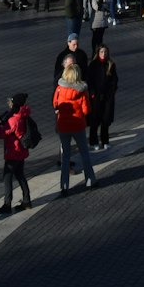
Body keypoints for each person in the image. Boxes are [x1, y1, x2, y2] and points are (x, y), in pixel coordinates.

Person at [52, 61, 96, 193]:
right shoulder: (82, 91)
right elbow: (86, 110)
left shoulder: (59, 89)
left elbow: (55, 104)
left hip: (63, 126)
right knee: (84, 153)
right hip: (77, 125)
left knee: (65, 157)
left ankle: (64, 186)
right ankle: (90, 180)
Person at [0, 92, 33, 212]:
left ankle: (7, 204)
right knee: (20, 175)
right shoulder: (23, 114)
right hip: (21, 151)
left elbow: (2, 134)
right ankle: (27, 200)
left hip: (13, 152)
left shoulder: (15, 119)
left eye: (12, 102)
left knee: (7, 177)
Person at [87, 43, 118, 149]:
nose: (103, 54)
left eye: (105, 52)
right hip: (95, 97)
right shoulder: (93, 65)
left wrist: (111, 92)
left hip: (107, 97)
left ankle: (105, 140)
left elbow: (114, 81)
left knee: (106, 119)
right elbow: (89, 80)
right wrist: (92, 93)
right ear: (98, 53)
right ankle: (93, 141)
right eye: (101, 52)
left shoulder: (110, 64)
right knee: (95, 120)